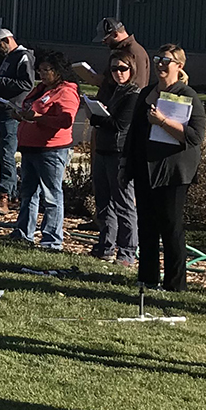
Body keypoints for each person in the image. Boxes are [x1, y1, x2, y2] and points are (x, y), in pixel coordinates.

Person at [127, 44, 205, 292]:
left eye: (167, 60)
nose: (160, 63)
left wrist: (161, 121)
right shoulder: (147, 93)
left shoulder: (187, 95)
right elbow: (134, 133)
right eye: (158, 58)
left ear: (179, 66)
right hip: (144, 168)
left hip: (173, 171)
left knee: (171, 228)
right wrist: (125, 164)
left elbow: (194, 137)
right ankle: (147, 279)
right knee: (146, 226)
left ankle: (175, 285)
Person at [11, 53, 80, 251]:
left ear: (58, 71)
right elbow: (32, 112)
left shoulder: (66, 92)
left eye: (46, 70)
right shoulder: (41, 89)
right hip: (30, 147)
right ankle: (23, 233)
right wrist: (20, 115)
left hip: (51, 149)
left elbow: (66, 120)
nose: (41, 73)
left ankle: (52, 239)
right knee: (28, 192)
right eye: (39, 70)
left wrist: (39, 118)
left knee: (51, 195)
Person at [86, 56, 140, 264]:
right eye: (114, 69)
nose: (118, 72)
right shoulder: (113, 90)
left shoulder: (133, 94)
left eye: (123, 68)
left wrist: (97, 118)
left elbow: (119, 124)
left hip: (119, 153)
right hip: (103, 150)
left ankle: (127, 251)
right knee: (103, 201)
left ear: (131, 70)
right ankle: (106, 246)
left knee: (124, 203)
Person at [0, 28, 36, 214]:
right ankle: (11, 195)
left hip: (9, 112)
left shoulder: (24, 57)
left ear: (7, 40)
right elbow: (6, 81)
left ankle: (4, 195)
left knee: (7, 154)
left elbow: (27, 85)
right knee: (1, 154)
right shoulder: (9, 58)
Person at [75, 17, 152, 94]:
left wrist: (102, 82)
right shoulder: (120, 49)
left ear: (115, 34)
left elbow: (137, 86)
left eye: (105, 39)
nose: (104, 42)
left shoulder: (134, 52)